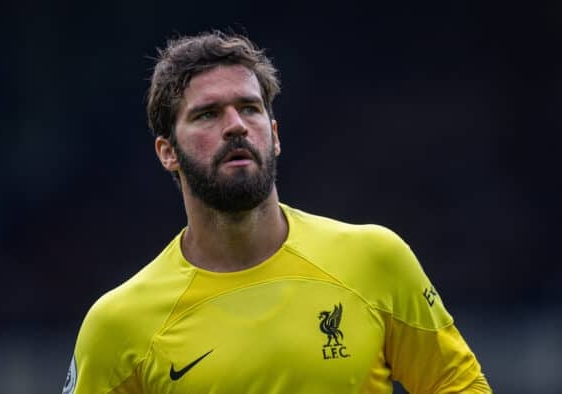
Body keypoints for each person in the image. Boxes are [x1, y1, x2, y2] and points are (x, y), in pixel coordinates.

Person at [63, 30, 491, 393]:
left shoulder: (376, 259)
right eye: (208, 114)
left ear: (274, 134)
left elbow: (459, 384)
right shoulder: (117, 325)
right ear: (167, 152)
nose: (235, 125)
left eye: (249, 108)